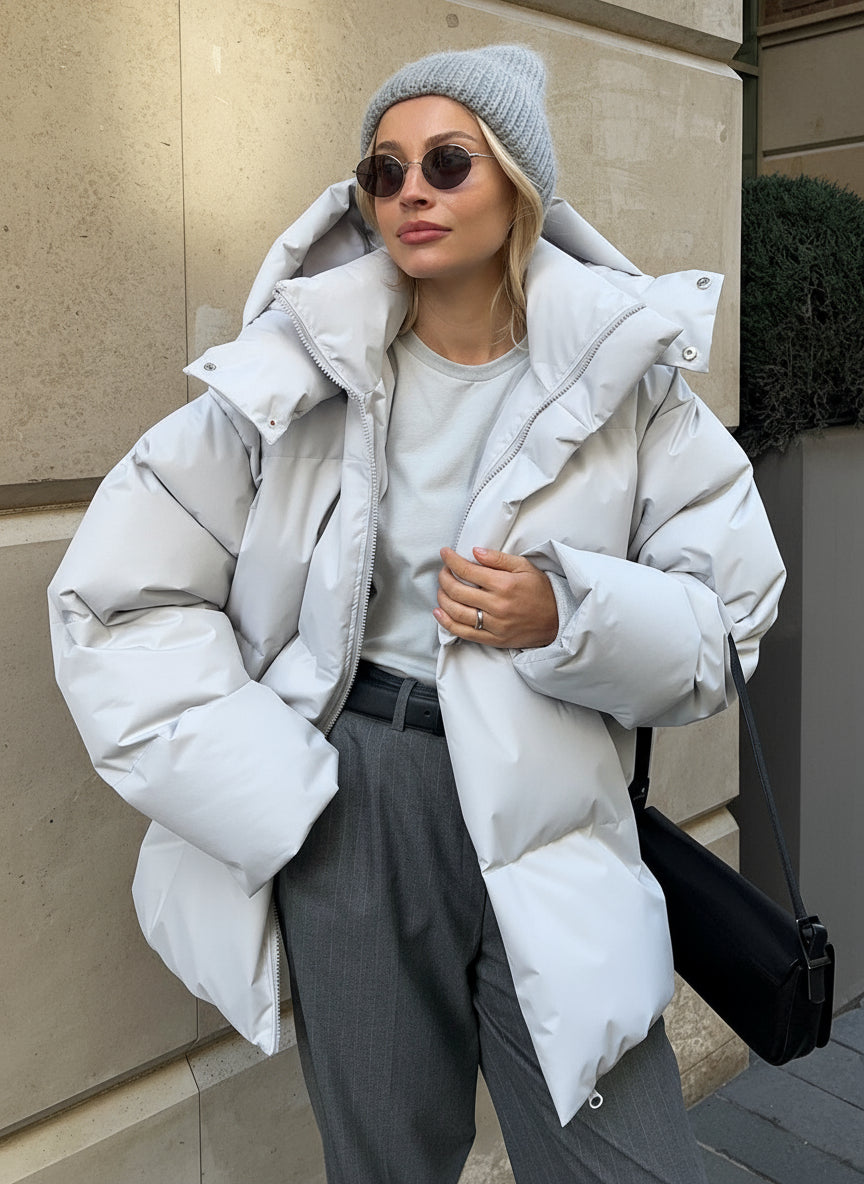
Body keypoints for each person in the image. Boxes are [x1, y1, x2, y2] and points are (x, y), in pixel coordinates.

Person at [49, 43, 784, 1184]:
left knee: (627, 1160)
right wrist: (267, 775)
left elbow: (727, 622)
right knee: (387, 1160)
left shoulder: (628, 382)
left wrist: (567, 612)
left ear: (519, 185)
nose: (411, 194)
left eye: (447, 162)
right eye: (384, 172)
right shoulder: (296, 374)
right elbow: (116, 595)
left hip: (551, 793)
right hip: (356, 802)